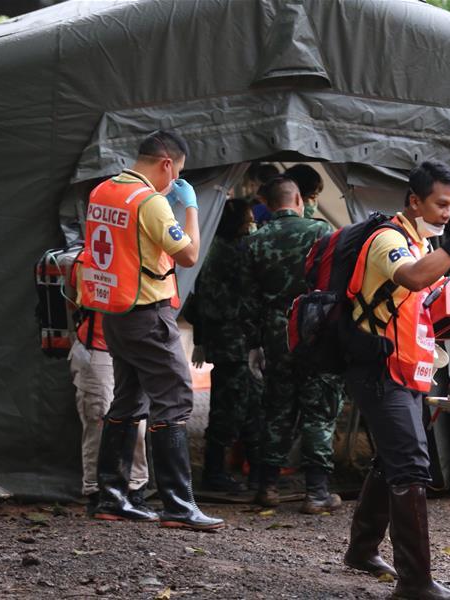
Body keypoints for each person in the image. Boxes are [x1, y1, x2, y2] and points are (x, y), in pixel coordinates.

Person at [341, 161, 450, 600]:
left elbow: (415, 305)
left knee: (392, 460)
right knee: (410, 466)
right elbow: (411, 277)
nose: (448, 212)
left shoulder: (420, 241)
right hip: (377, 369)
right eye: (440, 203)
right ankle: (416, 583)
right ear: (414, 200)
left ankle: (362, 550)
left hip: (406, 367)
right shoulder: (389, 239)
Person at [78, 129, 223, 530]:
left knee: (127, 400)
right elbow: (190, 254)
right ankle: (179, 505)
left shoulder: (103, 191)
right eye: (176, 173)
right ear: (165, 163)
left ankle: (111, 497)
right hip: (146, 312)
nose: (174, 181)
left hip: (115, 311)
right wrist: (189, 209)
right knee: (175, 397)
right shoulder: (152, 203)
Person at [241, 176, 344, 515]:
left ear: (269, 206)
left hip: (275, 333)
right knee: (319, 410)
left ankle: (267, 486)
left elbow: (248, 301)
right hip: (316, 331)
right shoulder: (321, 233)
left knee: (278, 409)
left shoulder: (254, 241)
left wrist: (254, 344)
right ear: (299, 200)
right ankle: (316, 493)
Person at [190, 198, 263, 493]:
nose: (251, 226)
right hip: (235, 343)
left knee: (230, 406)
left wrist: (200, 339)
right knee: (230, 409)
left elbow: (198, 300)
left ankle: (225, 470)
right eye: (247, 220)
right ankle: (216, 473)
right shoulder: (234, 253)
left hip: (224, 342)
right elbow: (246, 301)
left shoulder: (211, 248)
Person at [68, 260, 150, 516]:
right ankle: (96, 493)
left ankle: (135, 490)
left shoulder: (144, 254)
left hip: (132, 348)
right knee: (98, 420)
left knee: (138, 423)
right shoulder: (85, 260)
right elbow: (76, 300)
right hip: (97, 348)